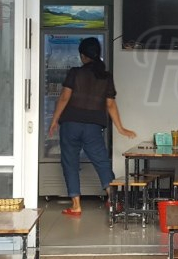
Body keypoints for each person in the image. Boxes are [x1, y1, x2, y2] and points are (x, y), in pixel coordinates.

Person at [47, 37, 136, 216]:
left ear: (82, 56)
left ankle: (76, 206)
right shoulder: (105, 77)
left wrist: (54, 120)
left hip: (71, 124)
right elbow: (110, 104)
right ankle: (112, 200)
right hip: (93, 127)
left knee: (70, 163)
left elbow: (64, 98)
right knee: (102, 162)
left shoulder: (75, 73)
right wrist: (120, 128)